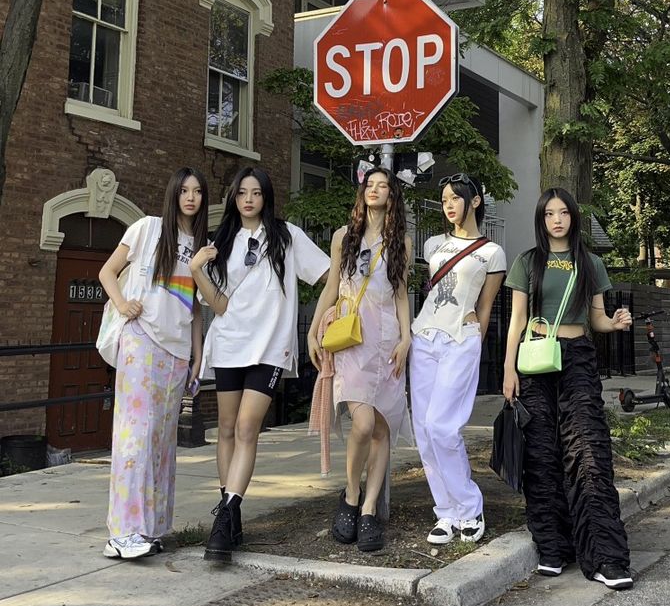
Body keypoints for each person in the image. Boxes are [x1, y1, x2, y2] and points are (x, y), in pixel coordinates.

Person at [191, 167, 330, 563]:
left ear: (266, 197)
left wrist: (322, 321)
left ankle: (226, 515)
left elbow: (328, 274)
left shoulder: (287, 237)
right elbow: (218, 305)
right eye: (241, 193)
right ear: (234, 198)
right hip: (230, 343)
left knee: (249, 427)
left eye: (256, 192)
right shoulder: (222, 241)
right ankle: (229, 514)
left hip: (269, 346)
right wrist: (197, 270)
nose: (248, 199)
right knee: (227, 428)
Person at [503, 187, 634, 590]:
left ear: (574, 217)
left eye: (563, 213)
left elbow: (596, 318)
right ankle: (554, 547)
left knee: (589, 452)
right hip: (536, 360)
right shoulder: (528, 262)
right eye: (549, 214)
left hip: (577, 357)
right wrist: (508, 369)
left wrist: (614, 323)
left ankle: (605, 558)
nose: (557, 220)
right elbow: (518, 319)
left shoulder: (590, 262)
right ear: (541, 220)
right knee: (542, 454)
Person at [99, 167, 209, 559]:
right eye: (184, 190)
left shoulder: (199, 245)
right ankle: (124, 532)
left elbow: (195, 308)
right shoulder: (147, 228)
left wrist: (197, 356)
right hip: (141, 340)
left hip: (177, 353)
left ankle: (154, 527)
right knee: (136, 434)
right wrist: (122, 304)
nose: (191, 197)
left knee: (162, 440)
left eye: (197, 191)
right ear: (173, 194)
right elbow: (108, 271)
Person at [307, 167, 413, 552]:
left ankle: (368, 508)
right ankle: (351, 493)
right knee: (363, 423)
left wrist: (406, 337)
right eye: (370, 184)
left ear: (392, 196)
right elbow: (333, 287)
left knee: (383, 427)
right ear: (362, 191)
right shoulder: (343, 237)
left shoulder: (401, 240)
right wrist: (313, 328)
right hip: (353, 338)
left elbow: (401, 294)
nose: (375, 190)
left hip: (387, 342)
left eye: (383, 186)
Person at [410, 173, 506, 545]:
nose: (449, 205)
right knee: (424, 431)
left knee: (442, 427)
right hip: (424, 337)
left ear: (475, 201)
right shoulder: (433, 243)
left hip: (460, 340)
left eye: (456, 198)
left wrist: (473, 343)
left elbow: (485, 307)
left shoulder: (491, 253)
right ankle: (446, 512)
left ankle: (470, 506)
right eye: (445, 199)